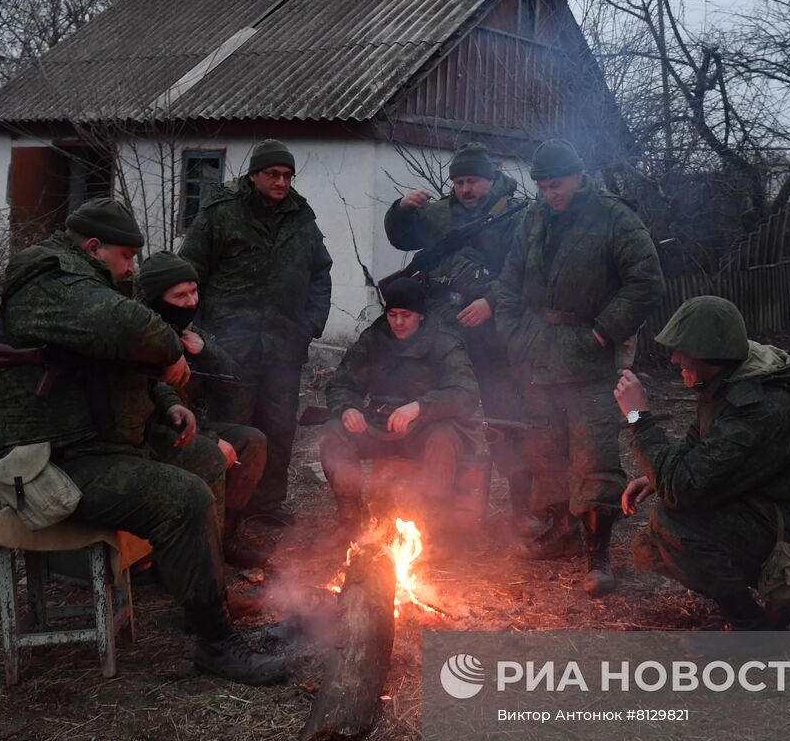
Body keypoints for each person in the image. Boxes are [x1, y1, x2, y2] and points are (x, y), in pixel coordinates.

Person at [0, 197, 288, 684]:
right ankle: (217, 645)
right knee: (184, 498)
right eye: (126, 257)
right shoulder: (47, 281)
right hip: (51, 461)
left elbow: (112, 362)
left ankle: (203, 601)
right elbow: (128, 327)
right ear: (93, 247)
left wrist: (168, 401)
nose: (131, 268)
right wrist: (169, 349)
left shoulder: (82, 283)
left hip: (100, 445)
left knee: (205, 460)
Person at [493, 140, 664, 597]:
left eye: (558, 184)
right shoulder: (532, 219)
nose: (552, 193)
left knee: (594, 457)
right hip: (539, 354)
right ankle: (561, 533)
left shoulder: (615, 217)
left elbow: (645, 281)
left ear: (579, 175)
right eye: (544, 186)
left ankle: (598, 552)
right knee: (544, 450)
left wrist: (604, 331)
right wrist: (515, 333)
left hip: (589, 355)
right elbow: (507, 283)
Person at [614, 295, 790, 630]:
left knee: (675, 524)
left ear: (709, 354)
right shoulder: (729, 379)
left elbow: (683, 489)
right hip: (759, 500)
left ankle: (752, 628)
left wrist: (637, 417)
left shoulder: (757, 408)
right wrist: (656, 475)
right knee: (659, 540)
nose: (673, 359)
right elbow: (697, 447)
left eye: (680, 350)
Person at [178, 140, 333, 527]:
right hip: (230, 346)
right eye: (272, 174)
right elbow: (189, 269)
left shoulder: (301, 218)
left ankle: (267, 504)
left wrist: (309, 326)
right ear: (253, 176)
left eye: (286, 175)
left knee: (279, 427)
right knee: (236, 426)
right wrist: (190, 328)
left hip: (284, 344)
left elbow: (320, 274)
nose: (281, 182)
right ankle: (227, 508)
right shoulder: (221, 214)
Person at [384, 143, 534, 528]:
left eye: (474, 182)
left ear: (491, 179)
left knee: (507, 419)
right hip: (445, 334)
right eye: (460, 182)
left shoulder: (516, 216)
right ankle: (438, 512)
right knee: (439, 417)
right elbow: (401, 238)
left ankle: (522, 512)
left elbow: (528, 273)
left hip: (494, 338)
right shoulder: (439, 214)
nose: (466, 189)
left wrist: (490, 301)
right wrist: (400, 209)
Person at [135, 251, 270, 568]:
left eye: (193, 292)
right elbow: (157, 403)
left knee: (253, 441)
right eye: (179, 295)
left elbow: (234, 379)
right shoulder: (139, 335)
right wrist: (209, 440)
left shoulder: (189, 330)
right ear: (157, 298)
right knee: (214, 454)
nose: (190, 301)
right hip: (152, 437)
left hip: (192, 428)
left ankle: (224, 537)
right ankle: (187, 554)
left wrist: (206, 351)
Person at [320, 277, 480, 533]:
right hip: (380, 425)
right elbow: (342, 383)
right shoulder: (375, 338)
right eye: (392, 314)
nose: (398, 322)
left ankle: (429, 530)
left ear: (421, 315)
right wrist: (348, 408)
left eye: (406, 315)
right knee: (334, 433)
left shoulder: (443, 341)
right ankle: (350, 522)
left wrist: (420, 407)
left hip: (426, 428)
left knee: (444, 438)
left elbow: (466, 393)